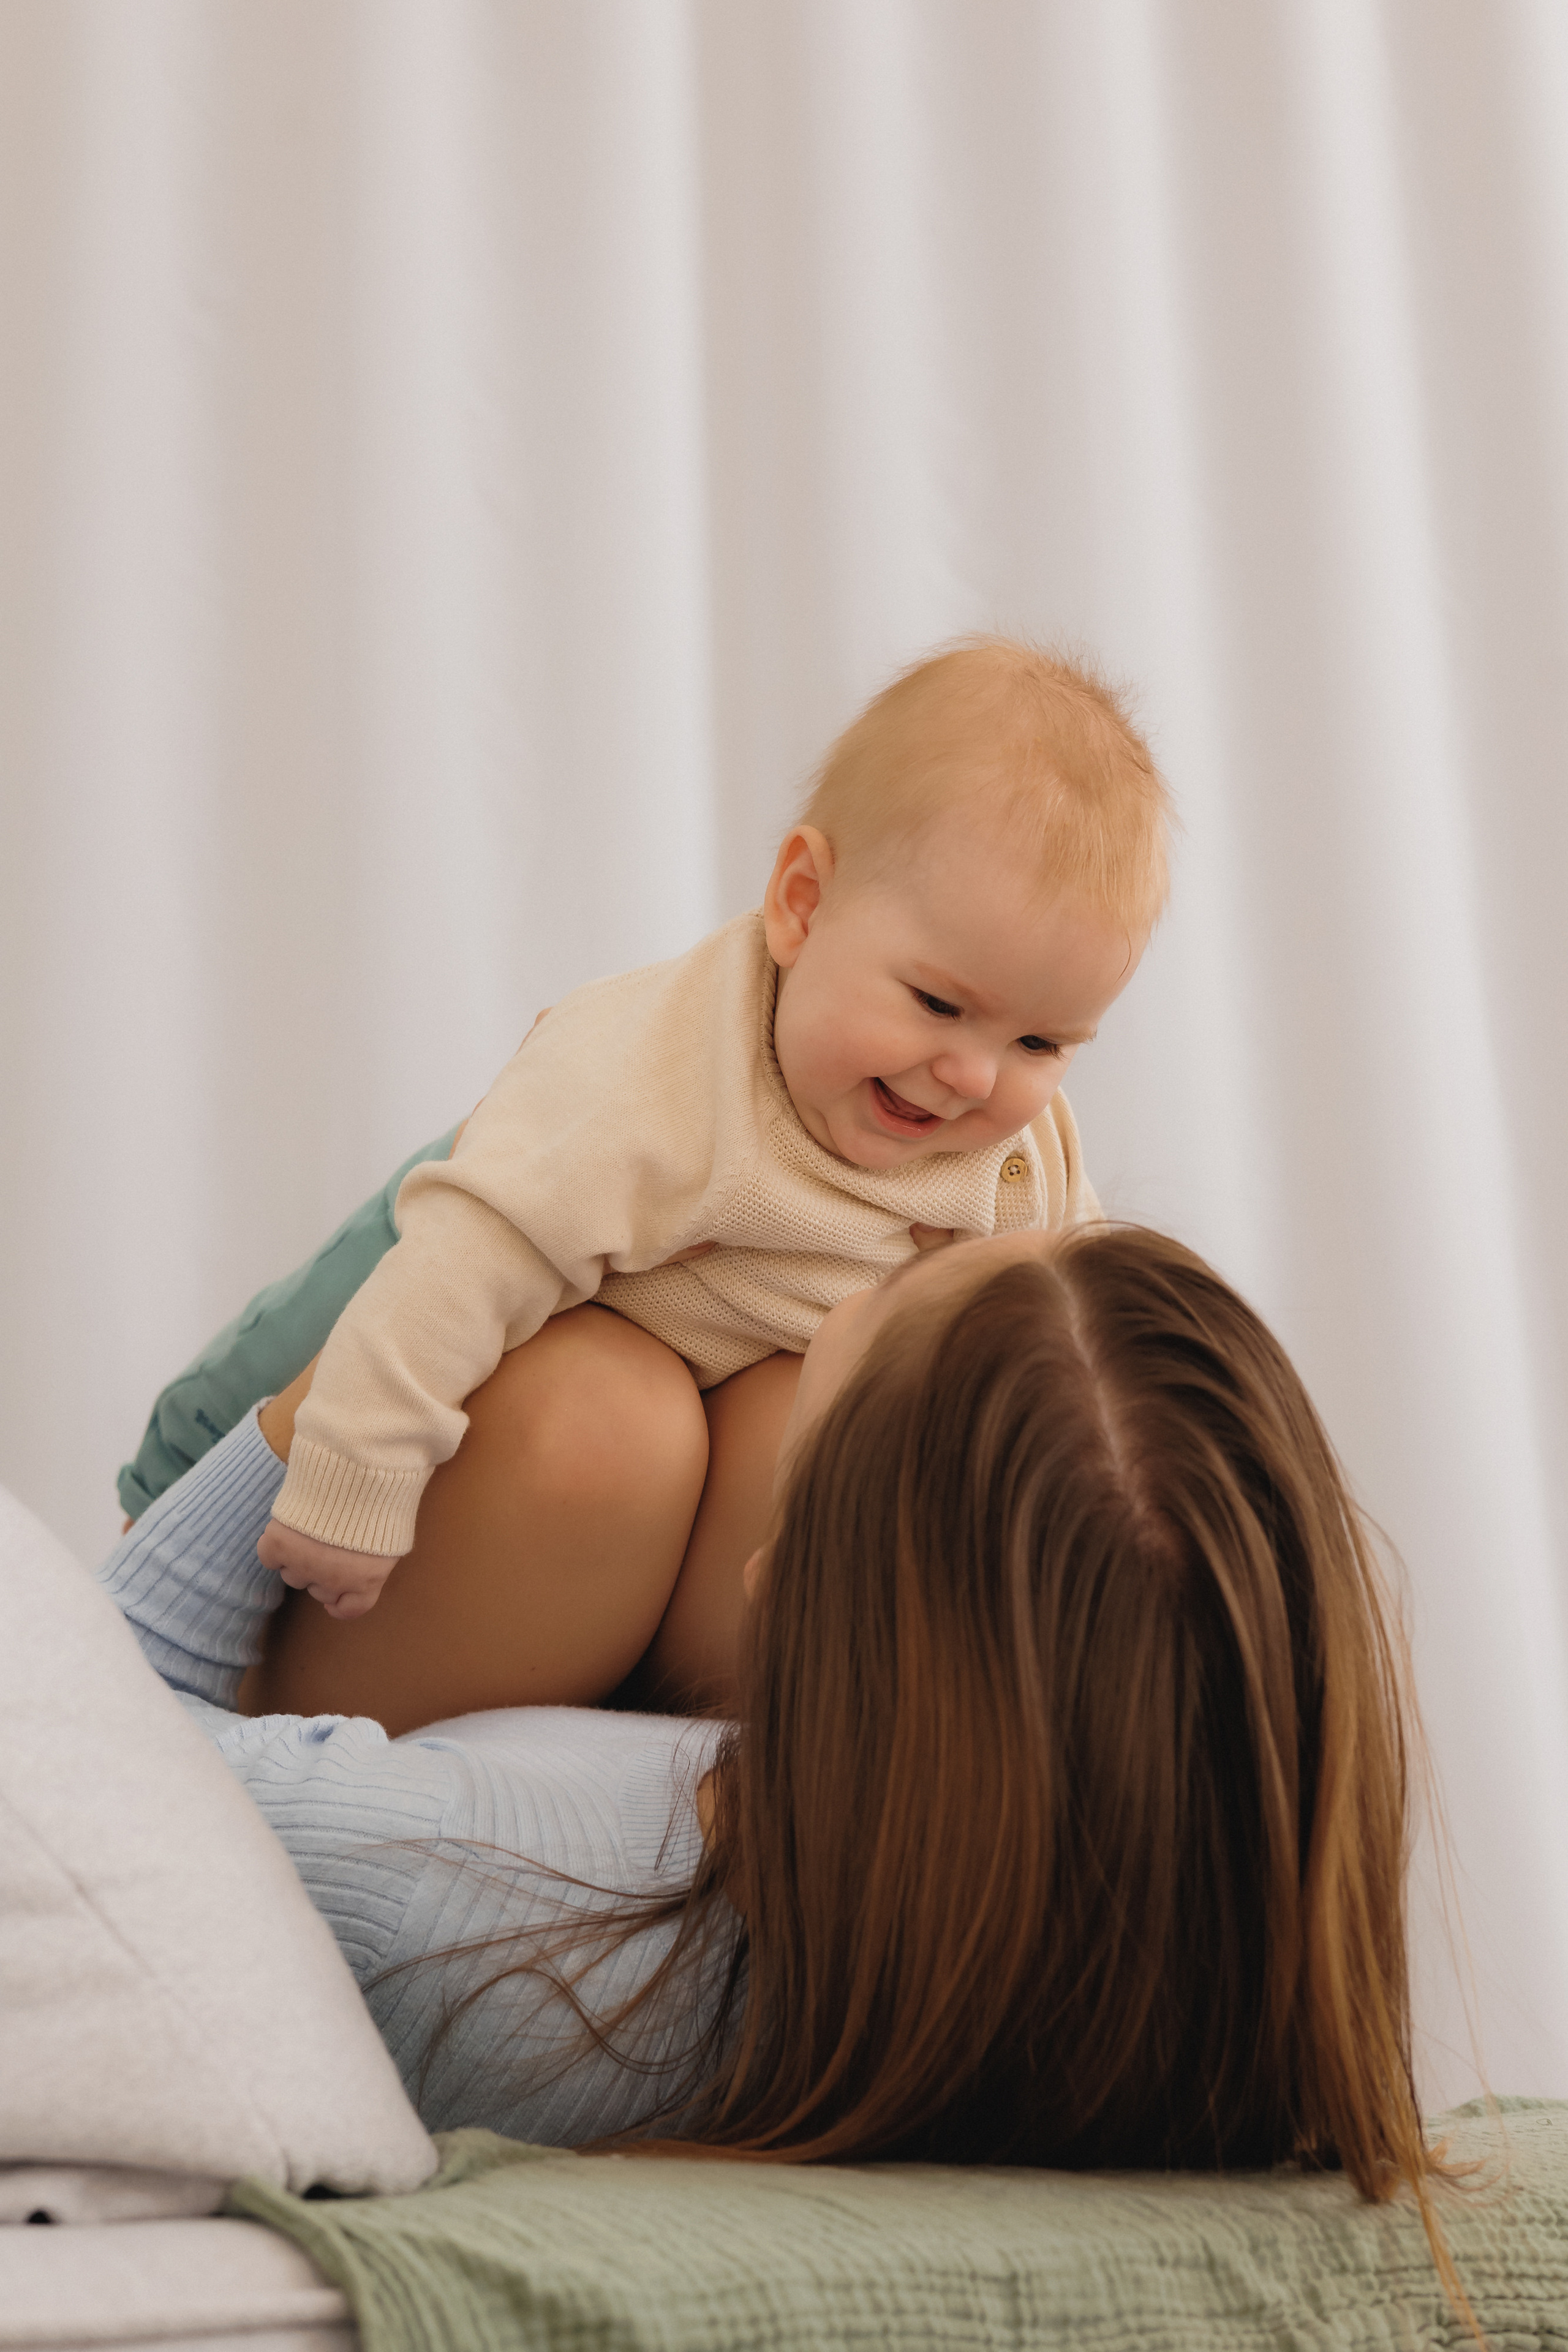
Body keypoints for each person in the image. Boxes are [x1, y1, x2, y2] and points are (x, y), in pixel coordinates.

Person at [99, 1218, 1461, 2303]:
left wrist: (317, 1406)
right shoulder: (1186, 1954)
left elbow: (81, 1746)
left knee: (594, 1415)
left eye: (832, 1344)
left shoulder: (451, 1895)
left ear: (784, 1580)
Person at [122, 641, 1170, 1696]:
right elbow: (457, 1269)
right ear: (803, 904)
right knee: (602, 1415)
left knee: (825, 1430)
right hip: (430, 1425)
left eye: (1041, 1046)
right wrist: (353, 1477)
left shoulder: (1015, 1165)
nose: (970, 1076)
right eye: (938, 1005)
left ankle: (659, 1775)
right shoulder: (651, 1072)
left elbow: (1061, 1355)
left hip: (664, 1548)